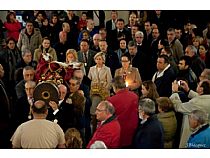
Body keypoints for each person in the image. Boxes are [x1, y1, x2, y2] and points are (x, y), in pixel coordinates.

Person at [170, 79, 210, 148]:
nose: (197, 85)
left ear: (201, 89)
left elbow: (178, 107)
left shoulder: (196, 102)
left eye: (198, 85)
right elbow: (201, 97)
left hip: (193, 134)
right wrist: (188, 90)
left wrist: (174, 93)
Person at [108, 76, 138, 148]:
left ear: (115, 86)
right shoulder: (134, 96)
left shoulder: (111, 100)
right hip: (133, 130)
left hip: (119, 131)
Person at [88, 52, 112, 134]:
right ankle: (93, 128)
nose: (98, 61)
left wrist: (104, 90)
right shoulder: (91, 69)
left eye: (100, 59)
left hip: (104, 93)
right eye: (97, 59)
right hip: (94, 92)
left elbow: (109, 82)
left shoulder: (107, 69)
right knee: (94, 105)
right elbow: (89, 80)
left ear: (103, 60)